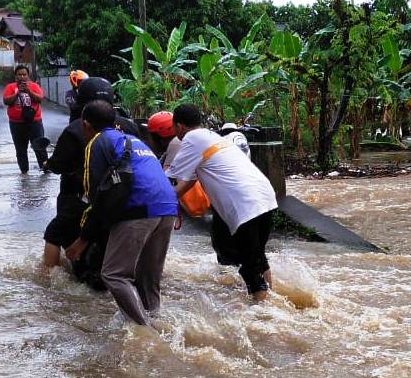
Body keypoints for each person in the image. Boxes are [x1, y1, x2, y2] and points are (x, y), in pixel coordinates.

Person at [64, 100, 178, 326]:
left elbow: (96, 195)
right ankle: (157, 322)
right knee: (148, 278)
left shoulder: (97, 142)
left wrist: (83, 240)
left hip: (139, 208)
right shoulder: (135, 140)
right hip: (168, 206)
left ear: (86, 125)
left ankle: (145, 332)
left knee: (114, 275)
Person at [167, 104, 278, 301]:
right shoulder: (212, 137)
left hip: (245, 204)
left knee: (250, 267)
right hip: (265, 196)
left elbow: (170, 177)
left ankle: (267, 317)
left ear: (180, 126)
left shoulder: (191, 139)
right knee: (259, 258)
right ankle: (274, 300)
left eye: (174, 128)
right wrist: (171, 199)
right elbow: (188, 180)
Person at [41, 77, 140, 285]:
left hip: (83, 197)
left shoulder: (78, 128)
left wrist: (47, 164)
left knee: (53, 233)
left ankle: (49, 282)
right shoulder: (129, 126)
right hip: (125, 197)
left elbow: (59, 164)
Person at [2, 65, 48, 174]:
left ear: (28, 76)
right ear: (15, 76)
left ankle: (45, 168)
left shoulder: (34, 86)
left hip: (34, 122)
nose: (22, 77)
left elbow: (40, 99)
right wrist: (17, 93)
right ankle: (24, 172)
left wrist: (28, 91)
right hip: (16, 124)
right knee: (20, 149)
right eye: (19, 75)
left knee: (39, 146)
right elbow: (6, 101)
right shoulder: (10, 87)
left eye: (24, 74)